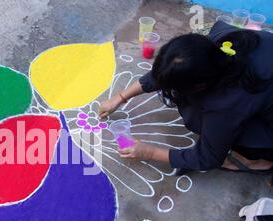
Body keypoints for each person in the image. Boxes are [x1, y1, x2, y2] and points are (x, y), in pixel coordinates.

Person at [99, 21, 273, 175]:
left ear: (199, 85)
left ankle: (255, 161)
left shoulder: (227, 103)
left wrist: (150, 152)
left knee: (197, 118)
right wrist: (121, 97)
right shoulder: (218, 44)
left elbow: (208, 158)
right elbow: (171, 70)